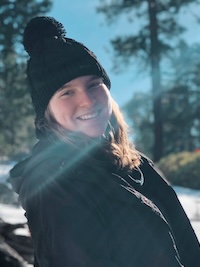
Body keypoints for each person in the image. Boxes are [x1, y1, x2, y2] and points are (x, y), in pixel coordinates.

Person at [10, 16, 200, 267]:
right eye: (67, 92)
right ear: (47, 113)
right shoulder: (55, 188)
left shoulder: (134, 162)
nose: (88, 101)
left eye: (94, 84)